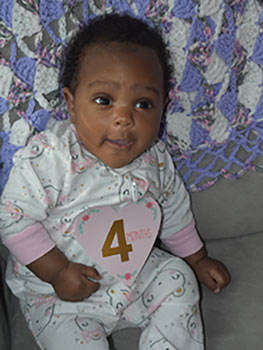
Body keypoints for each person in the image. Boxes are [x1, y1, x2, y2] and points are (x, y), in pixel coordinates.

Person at [0, 13, 230, 350]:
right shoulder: (51, 157)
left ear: (163, 109)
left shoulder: (156, 158)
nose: (124, 118)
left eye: (143, 104)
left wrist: (196, 259)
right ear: (71, 104)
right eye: (104, 101)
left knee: (177, 277)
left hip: (134, 273)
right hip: (61, 294)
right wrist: (58, 272)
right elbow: (13, 217)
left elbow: (175, 211)